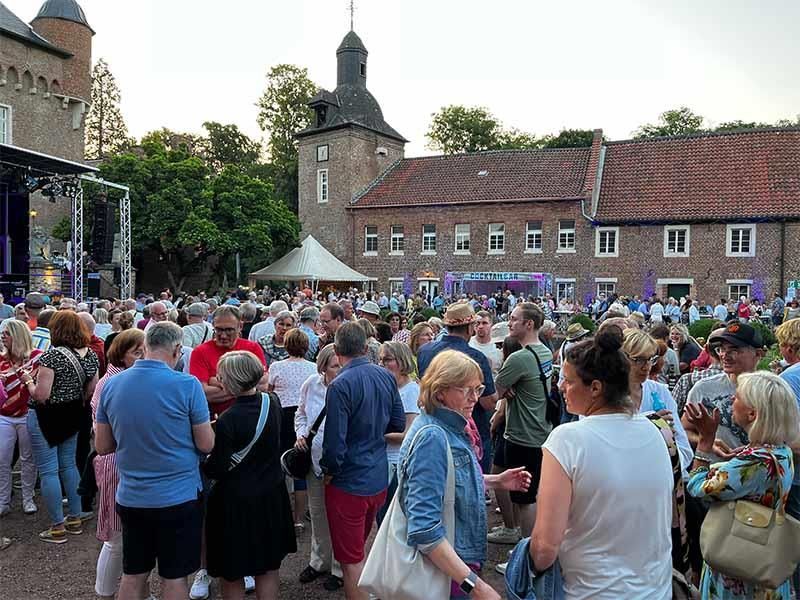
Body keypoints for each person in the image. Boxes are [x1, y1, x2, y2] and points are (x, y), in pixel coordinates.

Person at [531, 326, 673, 599]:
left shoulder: (568, 439)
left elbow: (545, 547)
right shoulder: (656, 432)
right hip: (655, 590)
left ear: (595, 388)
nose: (561, 387)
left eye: (569, 381)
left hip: (590, 591)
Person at [397, 350, 532, 600]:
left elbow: (446, 483)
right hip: (446, 571)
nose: (474, 398)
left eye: (478, 389)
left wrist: (495, 481)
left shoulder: (444, 426)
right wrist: (478, 587)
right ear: (439, 391)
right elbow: (424, 529)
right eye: (465, 390)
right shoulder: (433, 437)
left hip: (452, 565)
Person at [95, 322, 214, 600]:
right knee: (174, 578)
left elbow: (102, 446)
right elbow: (206, 443)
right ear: (176, 349)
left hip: (133, 496)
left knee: (133, 574)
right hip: (179, 497)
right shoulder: (187, 384)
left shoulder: (111, 385)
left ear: (145, 347)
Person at [685, 371, 799, 599]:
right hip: (764, 563)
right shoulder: (781, 452)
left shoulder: (754, 461)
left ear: (752, 413)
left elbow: (698, 487)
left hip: (739, 569)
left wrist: (705, 443)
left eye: (737, 397)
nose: (730, 401)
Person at [320, 322, 406, 600]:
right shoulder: (385, 377)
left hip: (349, 482)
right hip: (378, 474)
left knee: (351, 558)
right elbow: (397, 421)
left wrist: (329, 472)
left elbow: (334, 445)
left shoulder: (340, 385)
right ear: (366, 347)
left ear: (336, 349)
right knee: (360, 547)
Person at [203, 351, 296, 600]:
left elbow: (218, 468)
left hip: (235, 502)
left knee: (232, 570)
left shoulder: (228, 420)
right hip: (270, 493)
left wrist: (204, 462)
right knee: (267, 566)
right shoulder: (272, 402)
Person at [24, 310, 99, 543]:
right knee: (69, 465)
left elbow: (41, 395)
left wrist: (28, 381)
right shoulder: (91, 355)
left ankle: (57, 526)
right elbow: (91, 390)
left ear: (56, 330)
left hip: (46, 416)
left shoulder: (51, 357)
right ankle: (75, 518)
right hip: (74, 413)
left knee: (48, 470)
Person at [91, 329, 145, 600]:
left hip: (124, 461)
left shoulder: (121, 379)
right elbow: (104, 436)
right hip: (115, 462)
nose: (143, 356)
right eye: (137, 352)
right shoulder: (110, 383)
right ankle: (105, 593)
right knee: (115, 538)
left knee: (130, 538)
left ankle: (140, 593)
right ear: (121, 354)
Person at [494, 302, 552, 539]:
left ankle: (525, 553)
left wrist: (506, 389)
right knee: (527, 494)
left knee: (525, 499)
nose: (509, 323)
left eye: (514, 319)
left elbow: (497, 389)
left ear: (528, 324)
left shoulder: (519, 358)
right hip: (539, 430)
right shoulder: (545, 351)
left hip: (521, 434)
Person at [418, 302, 498, 474]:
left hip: (431, 423)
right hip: (465, 430)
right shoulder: (475, 357)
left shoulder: (425, 351)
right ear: (470, 328)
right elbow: (489, 402)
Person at [295, 345, 344, 591]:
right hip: (313, 460)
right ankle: (318, 561)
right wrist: (301, 434)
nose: (340, 369)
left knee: (338, 516)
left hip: (340, 465)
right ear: (323, 366)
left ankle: (338, 567)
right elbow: (300, 413)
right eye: (335, 365)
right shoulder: (311, 384)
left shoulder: (347, 386)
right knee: (317, 514)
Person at [622, 329, 693, 472]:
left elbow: (684, 449)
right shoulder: (604, 396)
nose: (647, 366)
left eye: (651, 359)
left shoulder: (660, 392)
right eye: (639, 359)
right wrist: (651, 425)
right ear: (621, 358)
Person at [267, 328, 317, 528]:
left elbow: (270, 392)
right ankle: (298, 519)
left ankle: (281, 514)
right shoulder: (313, 368)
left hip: (282, 416)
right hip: (305, 417)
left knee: (280, 463)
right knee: (301, 467)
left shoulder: (276, 366)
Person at [190, 305, 267, 419]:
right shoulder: (200, 352)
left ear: (240, 326)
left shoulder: (252, 348)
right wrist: (247, 384)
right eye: (219, 329)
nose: (223, 335)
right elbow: (203, 393)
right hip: (217, 420)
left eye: (229, 330)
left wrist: (215, 381)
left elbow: (263, 383)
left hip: (251, 418)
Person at [0, 320, 42, 516]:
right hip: (4, 415)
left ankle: (28, 498)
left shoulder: (37, 358)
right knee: (2, 459)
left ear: (17, 336)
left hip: (27, 414)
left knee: (28, 458)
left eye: (6, 333)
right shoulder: (1, 359)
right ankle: (3, 500)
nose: (2, 337)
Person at [376, 342, 420, 525]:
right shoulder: (386, 387)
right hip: (382, 462)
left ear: (401, 361)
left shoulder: (411, 391)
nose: (382, 364)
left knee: (392, 521)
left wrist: (375, 434)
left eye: (387, 359)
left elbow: (407, 435)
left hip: (397, 464)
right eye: (380, 360)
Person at [469, 310, 502, 377]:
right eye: (477, 323)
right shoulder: (468, 344)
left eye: (484, 323)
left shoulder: (498, 347)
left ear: (491, 325)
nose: (480, 326)